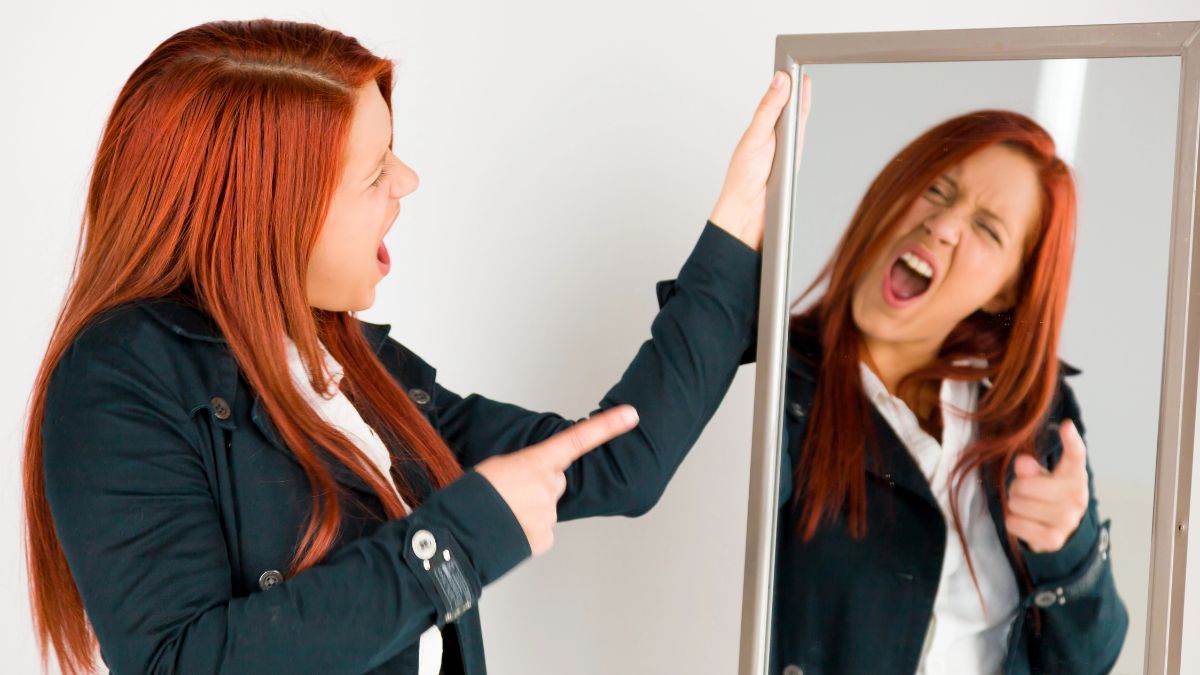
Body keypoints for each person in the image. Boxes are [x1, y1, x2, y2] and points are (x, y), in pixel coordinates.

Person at [22, 18, 811, 675]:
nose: (407, 180)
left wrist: (736, 230)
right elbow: (179, 662)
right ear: (269, 214)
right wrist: (453, 545)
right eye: (373, 174)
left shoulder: (346, 373)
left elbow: (620, 461)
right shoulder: (116, 379)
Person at [770, 109, 1127, 675]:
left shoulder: (1032, 414)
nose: (944, 224)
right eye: (937, 188)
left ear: (1007, 290)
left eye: (988, 228)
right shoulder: (778, 384)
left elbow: (1089, 659)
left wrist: (1068, 548)